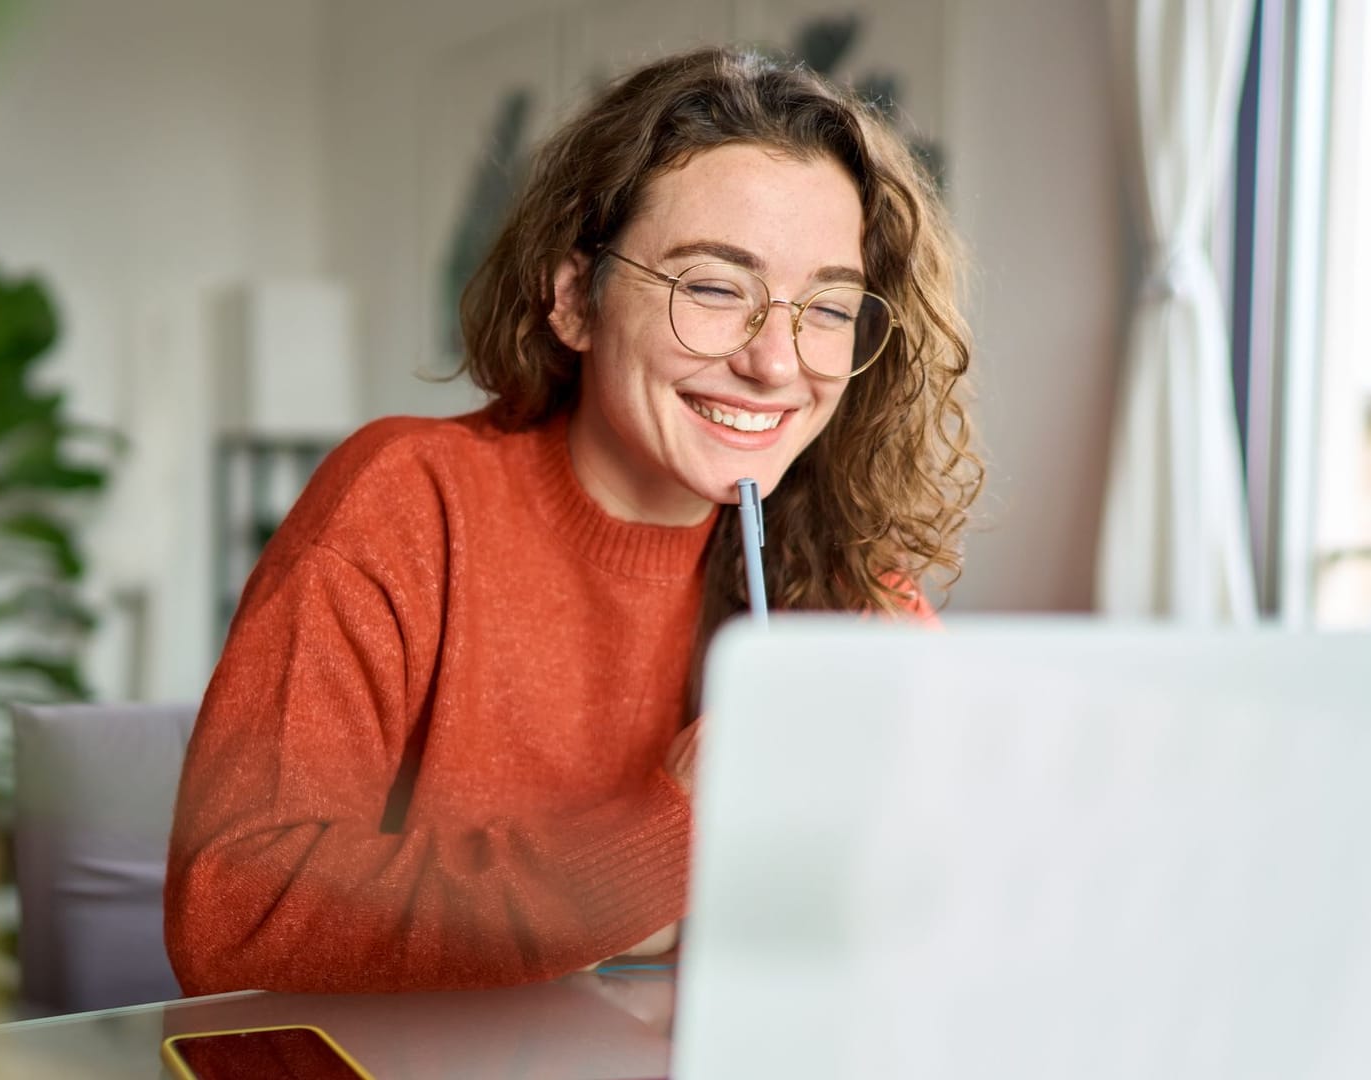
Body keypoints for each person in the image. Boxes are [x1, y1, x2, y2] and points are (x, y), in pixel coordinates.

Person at [164, 45, 981, 996]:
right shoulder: (406, 502)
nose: (776, 362)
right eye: (714, 287)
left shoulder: (841, 570)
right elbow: (233, 914)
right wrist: (668, 835)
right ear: (572, 300)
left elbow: (942, 895)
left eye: (828, 307)